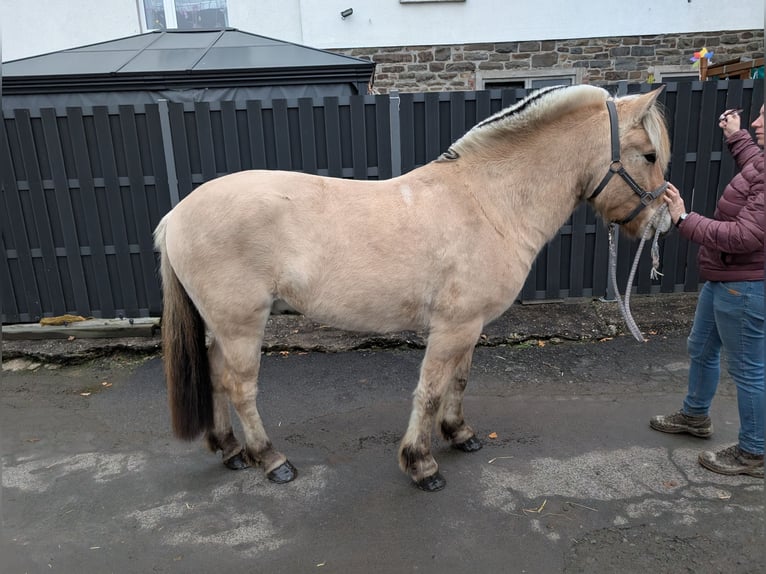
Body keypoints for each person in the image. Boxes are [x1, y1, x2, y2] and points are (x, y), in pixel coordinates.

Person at [649, 104, 764, 478]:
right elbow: (754, 167)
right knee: (701, 347)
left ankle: (754, 452)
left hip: (745, 286)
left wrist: (684, 218)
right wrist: (737, 137)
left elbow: (746, 237)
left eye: (765, 118)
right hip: (727, 279)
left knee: (748, 370)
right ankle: (695, 416)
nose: (756, 122)